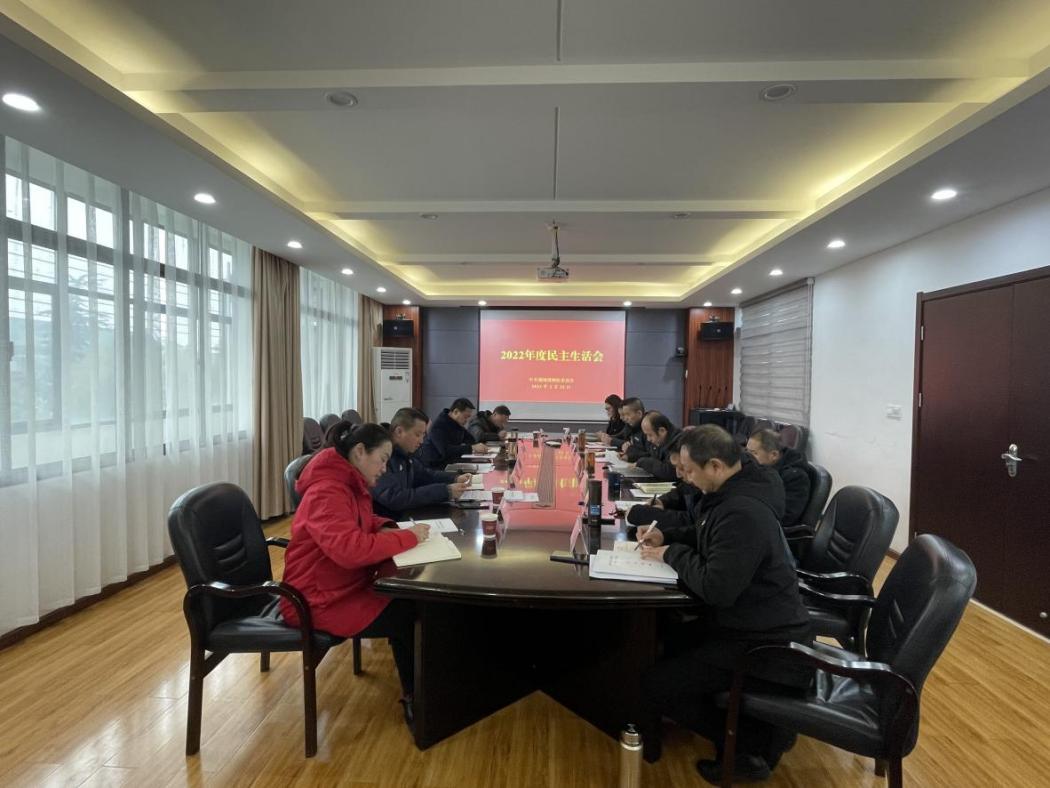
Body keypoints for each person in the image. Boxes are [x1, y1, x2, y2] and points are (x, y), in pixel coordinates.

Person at [637, 425, 812, 783]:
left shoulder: (742, 511)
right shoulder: (733, 494)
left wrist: (672, 553)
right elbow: (708, 533)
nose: (685, 479)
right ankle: (749, 726)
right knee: (663, 641)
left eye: (690, 471)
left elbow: (716, 588)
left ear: (715, 466)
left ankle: (755, 743)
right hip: (747, 621)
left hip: (765, 644)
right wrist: (667, 535)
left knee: (654, 684)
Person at [279, 421, 431, 726]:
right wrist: (408, 537)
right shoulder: (327, 490)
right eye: (382, 459)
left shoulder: (344, 480)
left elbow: (358, 520)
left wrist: (387, 528)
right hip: (314, 600)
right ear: (360, 451)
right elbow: (350, 550)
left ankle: (423, 689)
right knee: (410, 614)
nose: (385, 469)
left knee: (412, 602)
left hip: (338, 587)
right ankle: (418, 701)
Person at [372, 407, 472, 517]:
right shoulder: (382, 456)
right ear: (399, 431)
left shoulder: (405, 454)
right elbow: (395, 498)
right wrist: (445, 491)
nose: (421, 441)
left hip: (405, 515)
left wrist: (455, 478)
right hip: (390, 521)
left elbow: (426, 475)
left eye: (423, 435)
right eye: (417, 434)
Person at [626, 433, 701, 533]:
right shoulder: (694, 483)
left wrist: (642, 514)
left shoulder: (712, 494)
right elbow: (682, 491)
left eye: (683, 468)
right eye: (675, 467)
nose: (678, 474)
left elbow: (693, 523)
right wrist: (663, 502)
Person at [746, 428, 811, 529]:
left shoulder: (796, 477)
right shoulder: (758, 467)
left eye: (754, 453)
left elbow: (786, 516)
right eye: (747, 451)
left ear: (774, 455)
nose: (747, 457)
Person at [417, 397, 488, 468]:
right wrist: (471, 448)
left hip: (450, 462)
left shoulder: (456, 423)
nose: (467, 420)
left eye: (468, 417)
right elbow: (445, 450)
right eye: (465, 417)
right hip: (435, 465)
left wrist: (478, 446)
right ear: (456, 412)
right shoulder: (439, 426)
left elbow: (470, 439)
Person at [635, 411, 682, 481]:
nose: (648, 439)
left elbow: (671, 472)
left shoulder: (679, 443)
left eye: (650, 435)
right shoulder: (660, 442)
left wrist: (643, 462)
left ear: (662, 431)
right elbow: (651, 456)